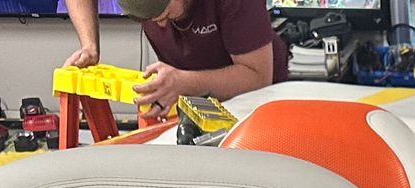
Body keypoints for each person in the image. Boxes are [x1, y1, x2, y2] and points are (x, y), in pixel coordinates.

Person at [63, 0, 288, 121]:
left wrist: (184, 82)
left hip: (252, 99)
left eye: (165, 14)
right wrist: (89, 45)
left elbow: (257, 76)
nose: (160, 25)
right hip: (188, 93)